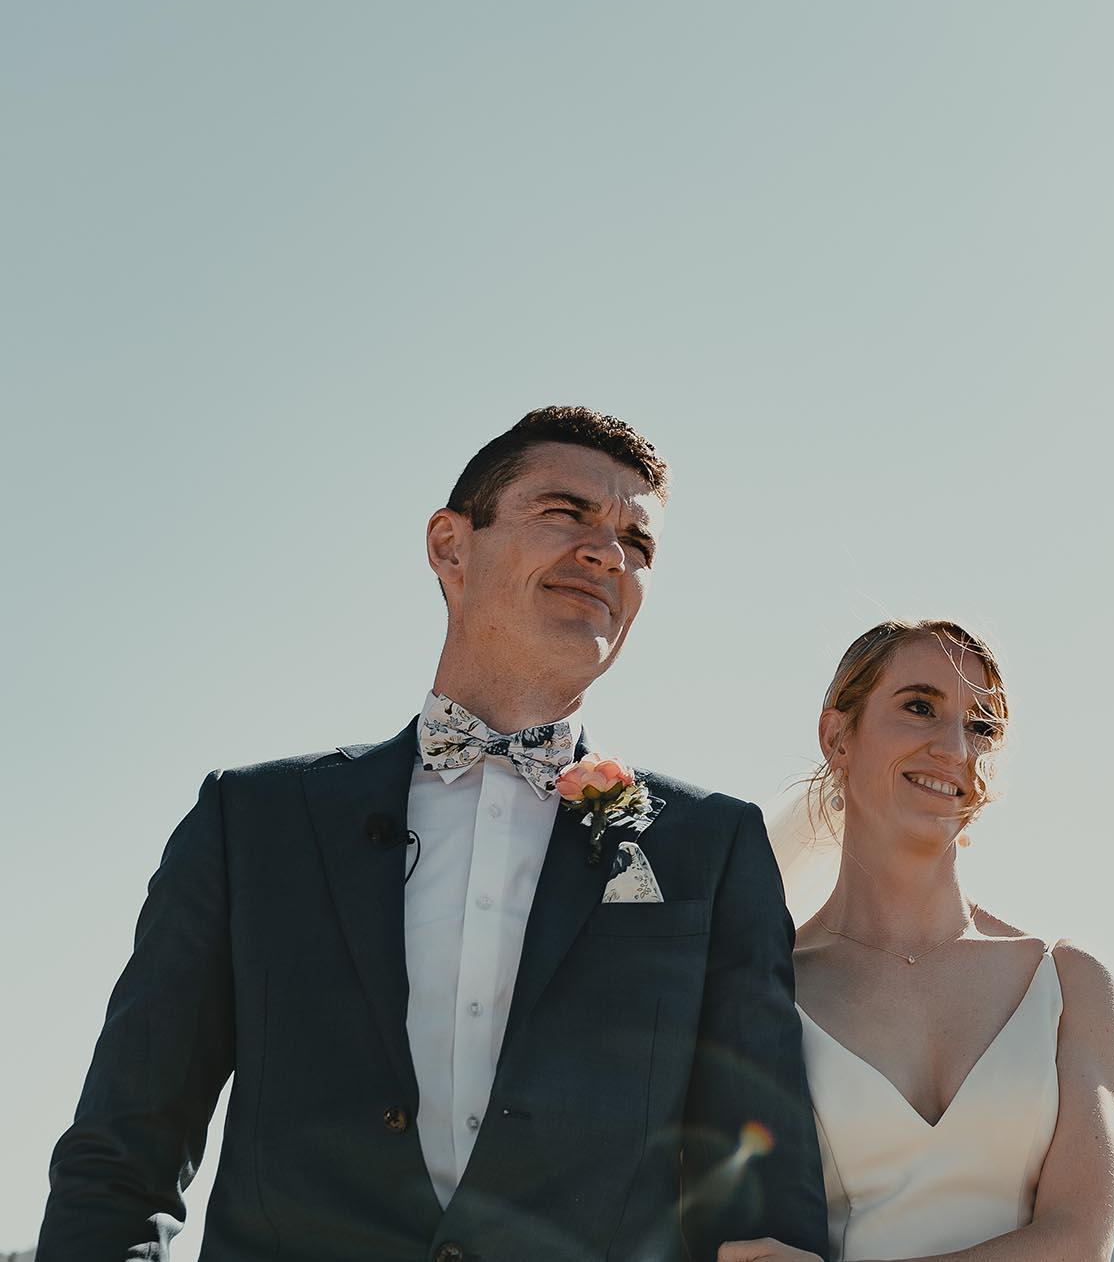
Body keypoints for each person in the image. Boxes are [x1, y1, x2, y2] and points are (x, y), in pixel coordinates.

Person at [40, 406, 830, 1262]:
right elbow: (121, 1160)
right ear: (451, 546)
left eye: (638, 543)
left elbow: (759, 1194)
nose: (608, 552)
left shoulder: (709, 847)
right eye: (566, 512)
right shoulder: (252, 824)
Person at [727, 621, 1114, 1262]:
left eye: (982, 727)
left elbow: (1078, 1242)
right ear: (838, 736)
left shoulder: (1069, 986)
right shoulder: (766, 991)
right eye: (920, 707)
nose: (954, 747)